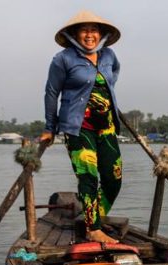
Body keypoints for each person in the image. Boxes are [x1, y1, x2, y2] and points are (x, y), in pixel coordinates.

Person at [41, 10, 123, 244]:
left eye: (94, 30)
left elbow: (113, 75)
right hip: (78, 128)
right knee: (88, 177)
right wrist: (50, 127)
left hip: (106, 127)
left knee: (114, 178)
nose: (89, 35)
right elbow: (51, 93)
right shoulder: (63, 59)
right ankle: (93, 228)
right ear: (75, 34)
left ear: (101, 34)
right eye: (84, 30)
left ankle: (94, 217)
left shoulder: (108, 55)